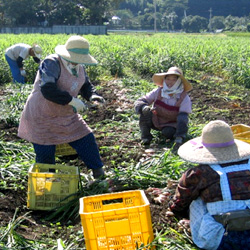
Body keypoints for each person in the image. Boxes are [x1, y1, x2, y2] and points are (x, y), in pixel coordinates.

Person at [18, 35, 105, 179]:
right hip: (42, 115)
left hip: (66, 115)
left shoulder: (79, 66)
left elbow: (85, 85)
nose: (77, 62)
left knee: (86, 138)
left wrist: (92, 95)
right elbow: (47, 89)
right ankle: (48, 186)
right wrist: (72, 100)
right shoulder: (51, 63)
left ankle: (99, 175)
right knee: (45, 154)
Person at [169, 120, 250, 250]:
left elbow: (179, 203)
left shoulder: (200, 173)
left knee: (196, 200)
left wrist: (178, 211)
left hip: (222, 238)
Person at [134, 66, 192, 147]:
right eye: (168, 79)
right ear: (164, 80)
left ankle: (177, 137)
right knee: (145, 113)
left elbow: (183, 118)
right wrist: (143, 107)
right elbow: (140, 101)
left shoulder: (183, 97)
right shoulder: (158, 91)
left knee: (168, 132)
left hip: (171, 125)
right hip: (156, 120)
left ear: (179, 81)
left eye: (174, 79)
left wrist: (180, 136)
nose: (170, 82)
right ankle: (145, 138)